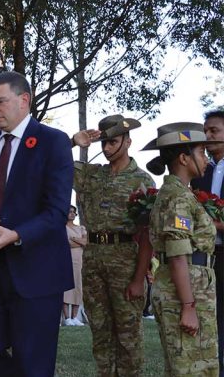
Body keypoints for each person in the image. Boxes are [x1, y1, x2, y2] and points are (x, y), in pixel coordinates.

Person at [0, 71, 74, 376]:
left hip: (36, 270)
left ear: (24, 100)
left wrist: (17, 235)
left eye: (1, 101)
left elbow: (57, 210)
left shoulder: (53, 142)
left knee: (32, 362)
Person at [71, 114, 155, 376]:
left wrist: (139, 278)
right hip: (94, 261)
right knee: (101, 334)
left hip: (126, 263)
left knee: (129, 337)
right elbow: (49, 161)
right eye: (103, 143)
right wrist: (74, 142)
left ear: (128, 142)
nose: (106, 148)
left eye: (113, 142)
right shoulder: (91, 175)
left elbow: (147, 233)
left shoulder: (142, 181)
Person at [144, 122, 220, 376]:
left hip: (192, 290)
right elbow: (177, 256)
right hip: (185, 295)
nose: (206, 160)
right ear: (184, 158)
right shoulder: (177, 197)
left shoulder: (182, 194)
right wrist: (188, 306)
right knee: (191, 369)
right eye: (201, 153)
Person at [190, 109, 224, 376]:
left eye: (214, 131)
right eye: (206, 131)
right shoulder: (200, 170)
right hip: (204, 256)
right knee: (209, 319)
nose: (208, 136)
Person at [63, 205, 87, 326]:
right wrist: (78, 240)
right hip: (67, 260)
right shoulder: (62, 228)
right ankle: (67, 318)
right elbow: (67, 244)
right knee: (67, 288)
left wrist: (74, 238)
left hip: (79, 261)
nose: (72, 214)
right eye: (70, 211)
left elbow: (85, 242)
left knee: (78, 286)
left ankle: (75, 317)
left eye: (74, 212)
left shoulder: (81, 228)